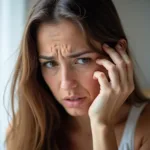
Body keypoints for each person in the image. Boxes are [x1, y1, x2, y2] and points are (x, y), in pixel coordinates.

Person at [6, 0, 150, 150]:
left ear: (118, 55)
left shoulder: (146, 129)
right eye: (50, 64)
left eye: (82, 60)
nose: (66, 83)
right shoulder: (22, 131)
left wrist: (101, 124)